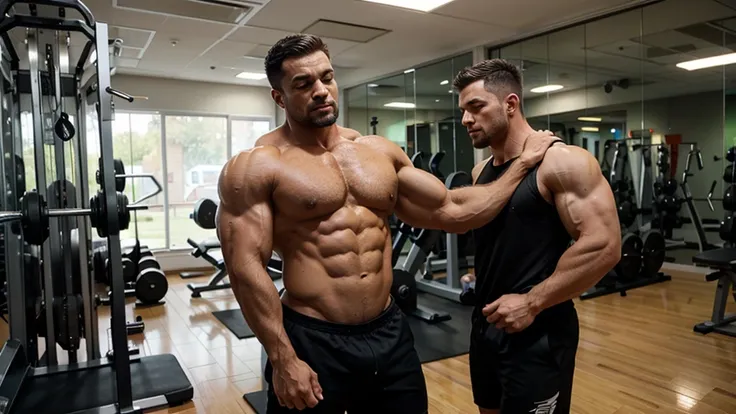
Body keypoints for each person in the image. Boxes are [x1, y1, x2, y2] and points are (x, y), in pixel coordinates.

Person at [216, 34, 558, 414]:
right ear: (279, 97)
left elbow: (454, 212)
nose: (321, 91)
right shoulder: (257, 166)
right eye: (303, 83)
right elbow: (245, 268)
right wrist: (282, 358)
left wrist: (523, 165)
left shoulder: (378, 153)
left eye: (327, 78)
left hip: (389, 333)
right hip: (313, 340)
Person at [452, 59, 621, 414]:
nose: (466, 119)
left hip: (538, 332)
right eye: (463, 110)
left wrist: (532, 302)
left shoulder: (563, 162)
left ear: (510, 104)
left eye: (476, 107)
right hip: (486, 326)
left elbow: (604, 245)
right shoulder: (481, 170)